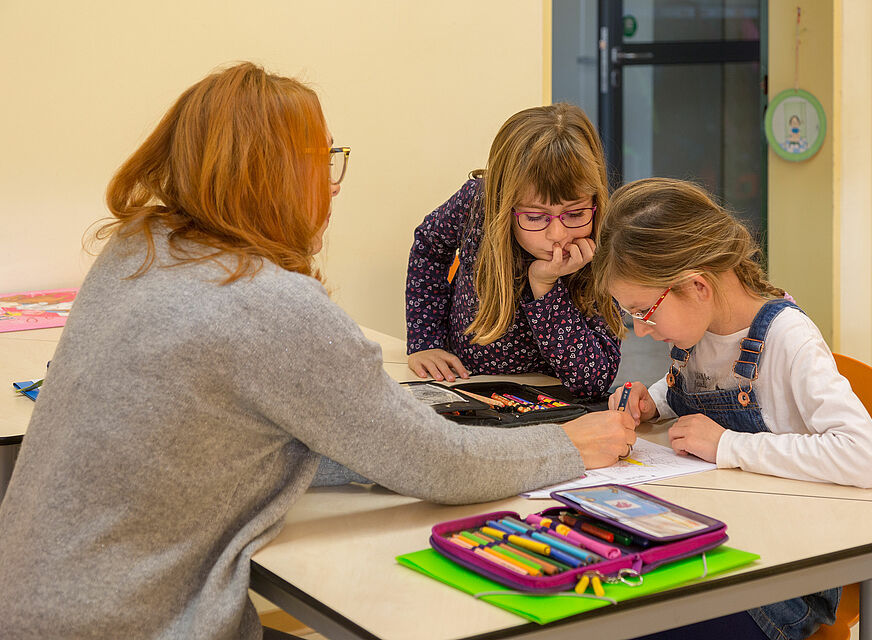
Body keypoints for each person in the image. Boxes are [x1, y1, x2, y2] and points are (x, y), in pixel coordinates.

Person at [0, 63, 637, 640]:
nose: (332, 187)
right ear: (277, 180)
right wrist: (567, 446)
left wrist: (389, 432)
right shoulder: (273, 306)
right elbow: (438, 466)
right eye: (322, 160)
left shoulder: (137, 250)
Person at [593, 177, 872, 640]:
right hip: (725, 540)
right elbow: (701, 385)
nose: (641, 330)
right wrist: (656, 403)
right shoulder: (702, 331)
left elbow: (865, 457)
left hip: (787, 576)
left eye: (644, 311)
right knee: (602, 601)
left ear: (697, 286)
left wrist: (729, 445)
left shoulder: (788, 338)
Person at [405, 103, 622, 399]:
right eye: (535, 217)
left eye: (575, 214)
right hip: (464, 389)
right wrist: (424, 341)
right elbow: (429, 247)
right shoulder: (476, 204)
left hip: (552, 408)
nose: (557, 235)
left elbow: (593, 382)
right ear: (503, 204)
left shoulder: (603, 246)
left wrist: (545, 288)